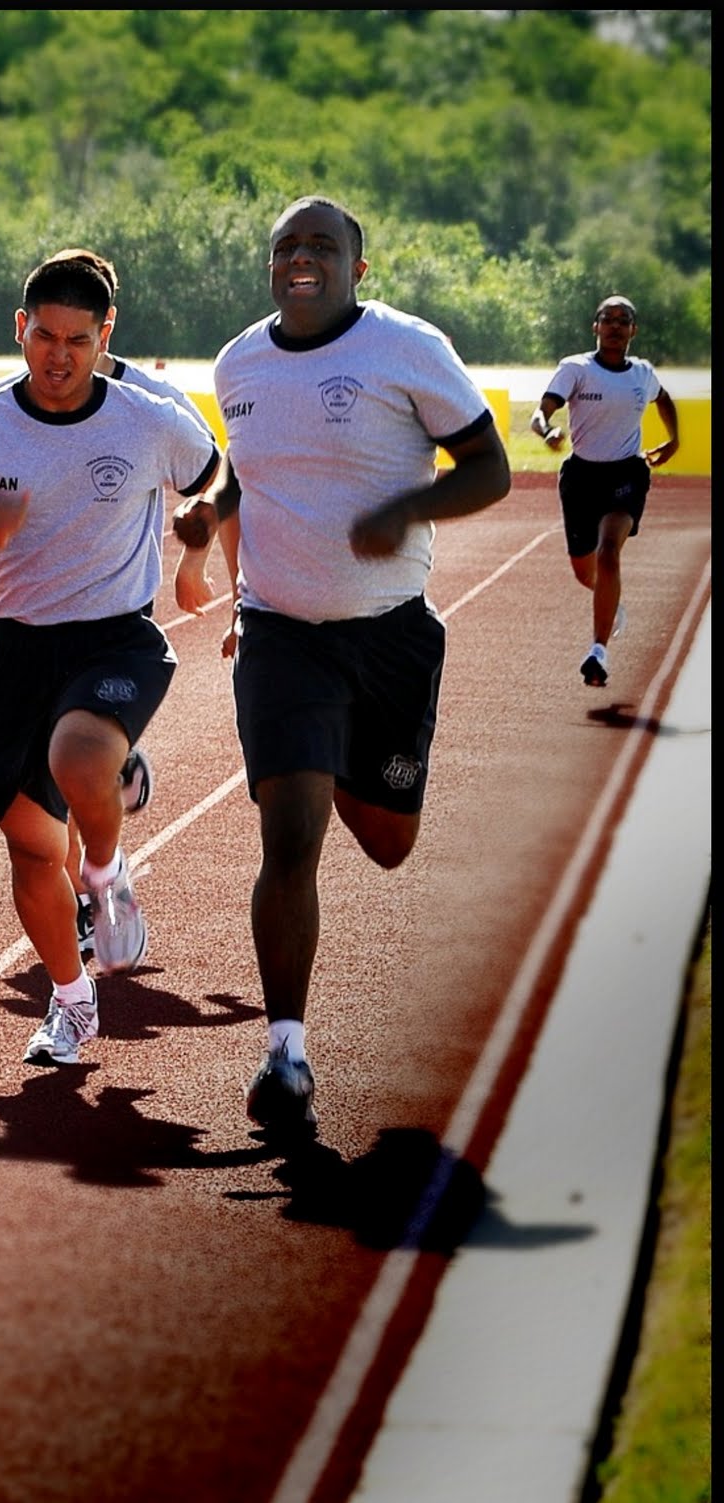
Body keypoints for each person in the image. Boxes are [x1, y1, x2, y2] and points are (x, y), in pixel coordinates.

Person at [173, 195, 511, 1137]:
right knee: (291, 833)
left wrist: (408, 511)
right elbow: (249, 468)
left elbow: (490, 469)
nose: (303, 259)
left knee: (387, 840)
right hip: (282, 632)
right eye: (288, 246)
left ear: (360, 268)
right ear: (270, 265)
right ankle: (286, 1053)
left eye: (324, 245)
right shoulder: (238, 362)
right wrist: (209, 522)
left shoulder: (407, 349)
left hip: (391, 635)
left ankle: (356, 773)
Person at [0, 252, 219, 1065]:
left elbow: (211, 478)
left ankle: (108, 873)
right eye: (44, 337)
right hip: (16, 650)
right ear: (20, 329)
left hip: (115, 635)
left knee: (81, 757)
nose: (58, 357)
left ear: (106, 337)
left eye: (78, 341)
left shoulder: (146, 419)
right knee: (27, 848)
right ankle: (71, 1002)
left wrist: (194, 554)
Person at [530, 295, 680, 687]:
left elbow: (664, 400)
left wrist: (674, 440)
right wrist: (547, 431)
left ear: (634, 330)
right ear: (595, 327)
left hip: (626, 474)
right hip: (581, 477)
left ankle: (597, 650)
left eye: (623, 320)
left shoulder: (642, 374)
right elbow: (540, 413)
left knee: (609, 551)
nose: (615, 326)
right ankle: (610, 602)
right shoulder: (576, 369)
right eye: (607, 319)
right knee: (585, 571)